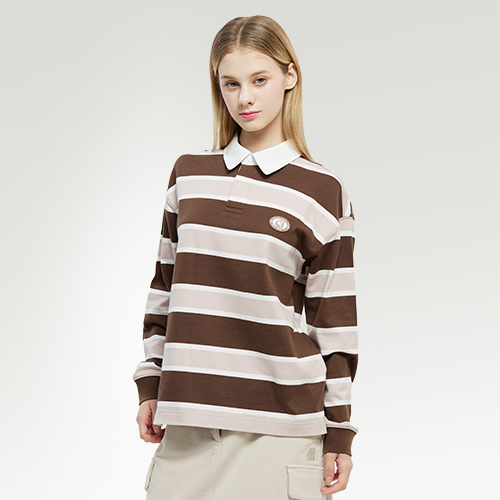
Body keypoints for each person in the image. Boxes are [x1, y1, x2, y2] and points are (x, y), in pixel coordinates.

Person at [133, 15, 358, 500]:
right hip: (187, 425)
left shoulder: (322, 190)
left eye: (260, 80)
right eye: (231, 83)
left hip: (281, 431)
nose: (245, 98)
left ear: (290, 76)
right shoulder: (189, 175)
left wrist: (339, 431)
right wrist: (150, 381)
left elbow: (335, 322)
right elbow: (164, 288)